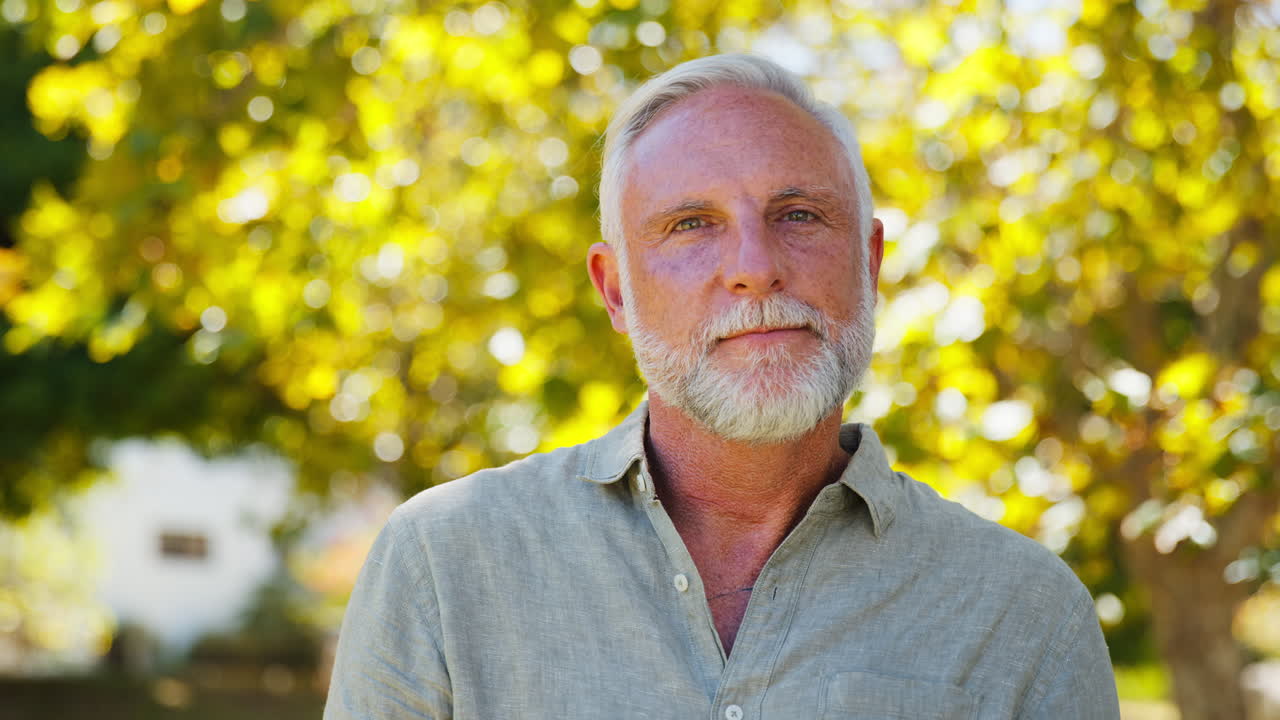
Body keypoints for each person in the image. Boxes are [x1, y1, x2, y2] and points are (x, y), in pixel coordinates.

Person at [324, 53, 1121, 719]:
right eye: (691, 225)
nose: (754, 267)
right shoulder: (445, 563)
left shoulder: (1024, 615)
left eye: (800, 214)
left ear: (871, 265)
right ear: (615, 292)